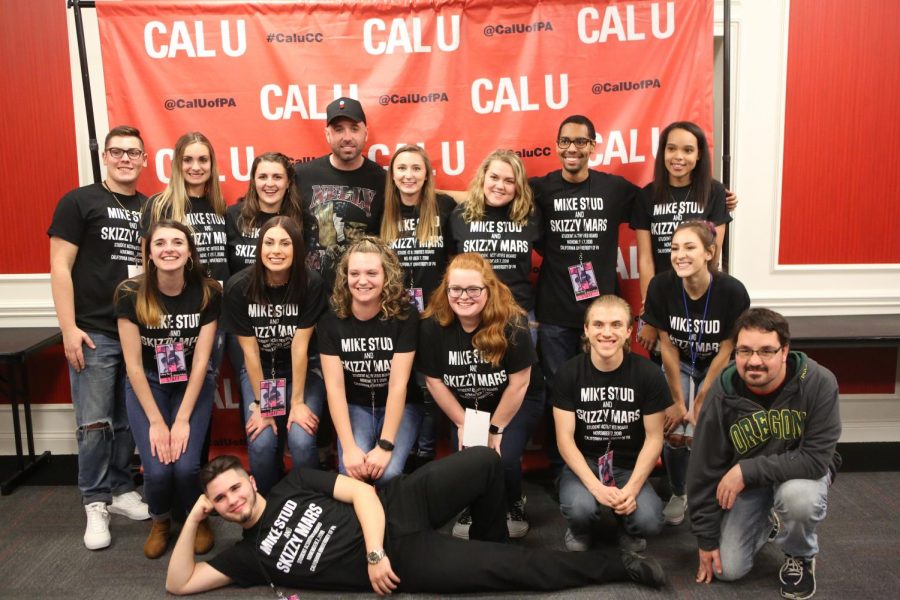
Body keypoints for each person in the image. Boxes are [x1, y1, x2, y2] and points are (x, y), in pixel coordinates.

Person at [165, 449, 666, 595]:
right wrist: (192, 516)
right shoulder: (248, 558)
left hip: (394, 508)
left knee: (484, 462)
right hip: (406, 561)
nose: (231, 500)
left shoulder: (289, 487)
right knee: (516, 572)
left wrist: (373, 552)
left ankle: (491, 542)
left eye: (234, 488)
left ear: (250, 482)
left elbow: (361, 492)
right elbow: (179, 584)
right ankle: (617, 567)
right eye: (219, 500)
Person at [688, 308, 841, 600]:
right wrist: (706, 539)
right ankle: (767, 522)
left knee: (798, 499)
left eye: (766, 351)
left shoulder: (819, 382)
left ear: (784, 351)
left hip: (800, 474)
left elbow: (816, 459)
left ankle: (800, 555)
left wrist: (746, 470)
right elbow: (702, 469)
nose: (754, 361)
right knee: (728, 570)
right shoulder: (722, 392)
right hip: (751, 484)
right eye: (744, 351)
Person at [48, 125, 151, 550]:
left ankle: (123, 489)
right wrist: (68, 328)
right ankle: (95, 502)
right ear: (105, 157)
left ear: (145, 159)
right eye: (117, 152)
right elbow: (59, 266)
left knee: (127, 419)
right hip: (92, 331)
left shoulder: (151, 207)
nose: (126, 158)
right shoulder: (79, 201)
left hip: (137, 332)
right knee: (94, 424)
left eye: (133, 152)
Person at [115, 220, 222, 558]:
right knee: (159, 468)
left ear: (189, 252)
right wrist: (158, 423)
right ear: (148, 252)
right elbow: (132, 366)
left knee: (188, 465)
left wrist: (182, 420)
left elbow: (203, 361)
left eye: (177, 242)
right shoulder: (129, 293)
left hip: (192, 384)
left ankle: (197, 516)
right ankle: (160, 520)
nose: (169, 249)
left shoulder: (207, 292)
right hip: (148, 384)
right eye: (160, 243)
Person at [418, 253, 544, 538]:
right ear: (446, 290)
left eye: (473, 289)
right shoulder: (431, 326)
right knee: (467, 455)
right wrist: (464, 424)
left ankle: (513, 502)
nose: (464, 296)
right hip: (465, 406)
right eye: (456, 289)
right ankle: (471, 504)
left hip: (515, 401)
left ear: (488, 289)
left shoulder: (512, 322)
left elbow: (519, 384)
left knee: (502, 455)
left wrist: (495, 429)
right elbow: (434, 381)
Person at [642, 221, 751, 527]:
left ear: (709, 253)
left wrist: (702, 398)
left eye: (690, 247)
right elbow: (667, 345)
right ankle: (679, 491)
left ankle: (720, 490)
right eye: (675, 248)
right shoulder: (662, 286)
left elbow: (727, 348)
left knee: (708, 424)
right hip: (681, 361)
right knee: (675, 430)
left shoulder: (732, 290)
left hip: (717, 363)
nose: (680, 255)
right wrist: (678, 401)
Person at [553, 295, 671, 553]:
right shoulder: (568, 373)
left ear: (629, 330)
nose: (607, 333)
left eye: (616, 325)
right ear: (586, 329)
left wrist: (632, 488)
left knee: (651, 522)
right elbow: (564, 439)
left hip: (629, 466)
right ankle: (580, 528)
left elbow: (654, 438)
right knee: (580, 509)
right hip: (584, 464)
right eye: (598, 324)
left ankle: (627, 527)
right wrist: (596, 488)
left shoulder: (648, 374)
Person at [220, 216, 327, 495]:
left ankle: (313, 503)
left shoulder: (311, 283)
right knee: (262, 441)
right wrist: (262, 405)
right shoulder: (238, 287)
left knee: (301, 440)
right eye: (268, 243)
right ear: (259, 247)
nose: (275, 251)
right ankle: (267, 509)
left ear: (297, 250)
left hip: (302, 369)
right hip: (262, 372)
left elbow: (300, 346)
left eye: (285, 243)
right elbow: (250, 351)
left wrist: (298, 402)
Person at [530, 115, 639, 382]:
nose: (572, 149)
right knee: (560, 388)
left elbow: (657, 202)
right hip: (555, 314)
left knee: (603, 389)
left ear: (592, 146)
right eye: (565, 141)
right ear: (556, 145)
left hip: (603, 314)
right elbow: (488, 195)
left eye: (580, 141)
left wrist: (715, 199)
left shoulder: (613, 188)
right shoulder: (540, 189)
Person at [318, 236, 422, 487]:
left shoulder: (405, 316)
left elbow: (398, 385)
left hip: (403, 406)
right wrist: (350, 448)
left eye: (371, 273)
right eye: (354, 273)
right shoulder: (330, 320)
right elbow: (335, 388)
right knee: (351, 473)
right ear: (345, 276)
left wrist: (385, 446)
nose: (362, 281)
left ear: (386, 276)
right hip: (356, 405)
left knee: (387, 474)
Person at [380, 144, 456, 467]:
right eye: (402, 169)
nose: (408, 175)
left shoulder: (445, 206)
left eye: (416, 169)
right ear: (392, 175)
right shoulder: (380, 212)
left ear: (427, 175)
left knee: (429, 387)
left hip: (434, 315)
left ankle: (425, 454)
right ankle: (403, 447)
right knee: (400, 386)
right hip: (393, 315)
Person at [632, 121, 735, 353]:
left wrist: (699, 303)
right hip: (662, 300)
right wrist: (650, 316)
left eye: (688, 150)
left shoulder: (715, 192)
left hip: (702, 299)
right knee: (665, 376)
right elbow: (646, 259)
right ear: (663, 152)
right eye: (671, 149)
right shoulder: (647, 195)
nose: (678, 157)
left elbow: (713, 255)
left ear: (699, 155)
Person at [448, 149, 542, 343]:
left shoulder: (530, 216)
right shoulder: (460, 215)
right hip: (472, 314)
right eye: (494, 177)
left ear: (518, 185)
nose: (500, 186)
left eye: (509, 181)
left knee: (523, 373)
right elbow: (451, 263)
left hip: (518, 313)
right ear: (483, 177)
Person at [295, 97, 385, 290]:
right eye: (338, 129)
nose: (347, 137)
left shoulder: (382, 180)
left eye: (354, 128)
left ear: (366, 133)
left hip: (362, 291)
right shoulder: (302, 175)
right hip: (313, 293)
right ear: (327, 134)